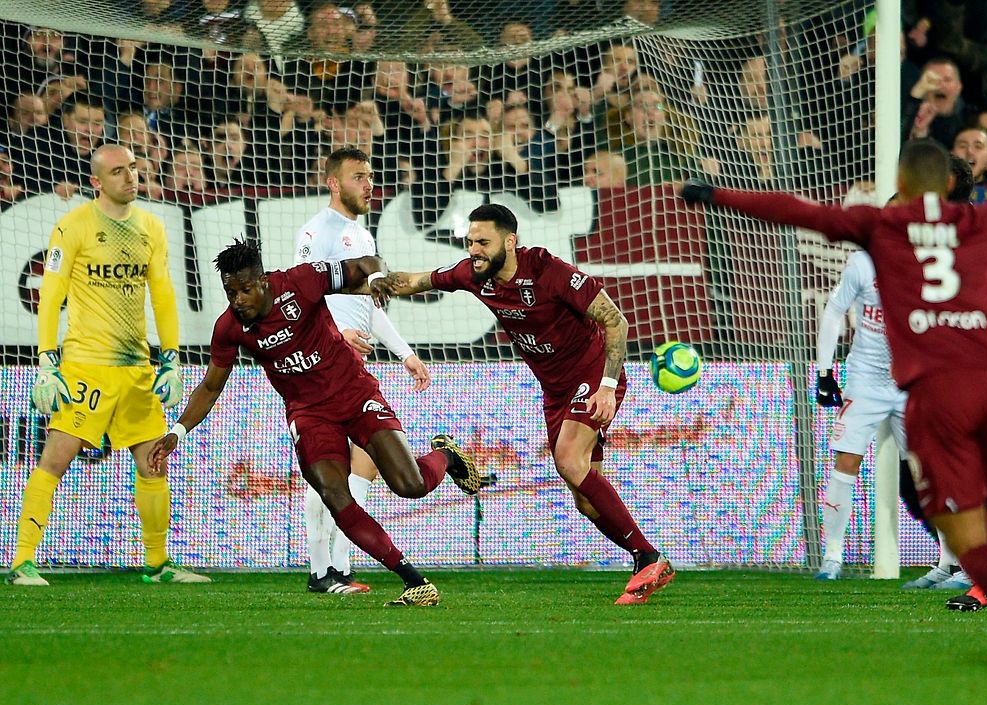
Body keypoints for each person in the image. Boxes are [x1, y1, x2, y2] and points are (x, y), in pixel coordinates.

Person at [680, 139, 987, 671]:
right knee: (982, 503)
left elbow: (797, 211)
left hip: (939, 392)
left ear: (901, 184)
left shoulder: (884, 227)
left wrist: (716, 195)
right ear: (948, 183)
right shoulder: (983, 221)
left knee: (964, 531)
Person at [149, 238, 482, 607]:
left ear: (263, 281)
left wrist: (374, 280)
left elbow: (368, 261)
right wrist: (177, 431)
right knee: (334, 495)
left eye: (245, 290)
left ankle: (446, 455)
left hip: (355, 394)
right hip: (309, 414)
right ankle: (414, 582)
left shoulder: (301, 281)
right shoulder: (229, 327)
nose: (238, 300)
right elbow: (211, 387)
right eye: (230, 293)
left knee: (410, 485)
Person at [375, 204, 675, 605]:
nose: (474, 250)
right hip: (555, 392)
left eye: (483, 242)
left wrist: (606, 386)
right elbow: (416, 280)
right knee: (586, 500)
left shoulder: (550, 272)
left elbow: (615, 320)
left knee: (568, 461)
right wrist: (370, 283)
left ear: (510, 242)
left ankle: (649, 558)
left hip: (591, 377)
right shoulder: (473, 274)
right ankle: (644, 558)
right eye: (470, 242)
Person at [6, 144, 204, 587]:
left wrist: (171, 358)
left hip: (137, 369)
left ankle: (158, 564)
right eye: (118, 172)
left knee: (154, 463)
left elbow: (163, 295)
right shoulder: (73, 226)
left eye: (133, 168)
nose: (130, 177)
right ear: (97, 181)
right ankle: (22, 562)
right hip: (86, 367)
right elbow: (50, 296)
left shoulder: (151, 226)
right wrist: (46, 361)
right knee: (55, 459)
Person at [295, 146, 432, 594]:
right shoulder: (316, 232)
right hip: (321, 365)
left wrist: (405, 353)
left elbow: (370, 307)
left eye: (370, 176)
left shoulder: (361, 236)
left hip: (352, 363)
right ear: (333, 183)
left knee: (365, 465)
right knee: (328, 468)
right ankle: (321, 571)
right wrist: (334, 334)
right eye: (358, 177)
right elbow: (300, 298)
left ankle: (340, 566)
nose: (369, 184)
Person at [811, 210, 911, 583]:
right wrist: (825, 372)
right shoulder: (863, 262)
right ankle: (832, 557)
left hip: (911, 382)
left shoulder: (931, 263)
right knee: (845, 460)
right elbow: (833, 311)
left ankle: (951, 563)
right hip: (865, 379)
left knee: (928, 470)